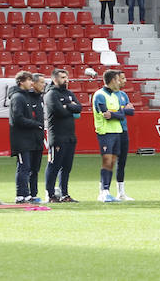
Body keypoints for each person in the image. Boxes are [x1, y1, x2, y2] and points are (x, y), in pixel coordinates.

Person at [92, 68, 134, 203]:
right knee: (107, 162)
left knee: (114, 161)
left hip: (117, 132)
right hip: (105, 132)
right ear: (111, 81)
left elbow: (123, 114)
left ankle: (110, 191)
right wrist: (120, 112)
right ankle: (104, 191)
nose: (120, 81)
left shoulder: (116, 96)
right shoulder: (99, 95)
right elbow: (107, 115)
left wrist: (117, 113)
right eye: (117, 79)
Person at [44, 67, 83, 202]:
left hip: (70, 136)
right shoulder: (51, 94)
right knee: (54, 166)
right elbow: (59, 111)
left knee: (67, 167)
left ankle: (64, 194)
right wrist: (69, 107)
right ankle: (50, 194)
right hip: (57, 136)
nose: (66, 80)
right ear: (55, 79)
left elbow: (79, 107)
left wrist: (68, 106)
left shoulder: (69, 93)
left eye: (66, 77)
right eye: (62, 78)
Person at [9, 71, 46, 203]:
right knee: (24, 167)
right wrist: (36, 124)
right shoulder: (17, 97)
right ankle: (21, 195)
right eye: (29, 80)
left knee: (33, 168)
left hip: (34, 139)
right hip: (22, 140)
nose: (31, 83)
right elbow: (17, 119)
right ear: (21, 82)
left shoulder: (28, 97)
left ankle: (31, 194)